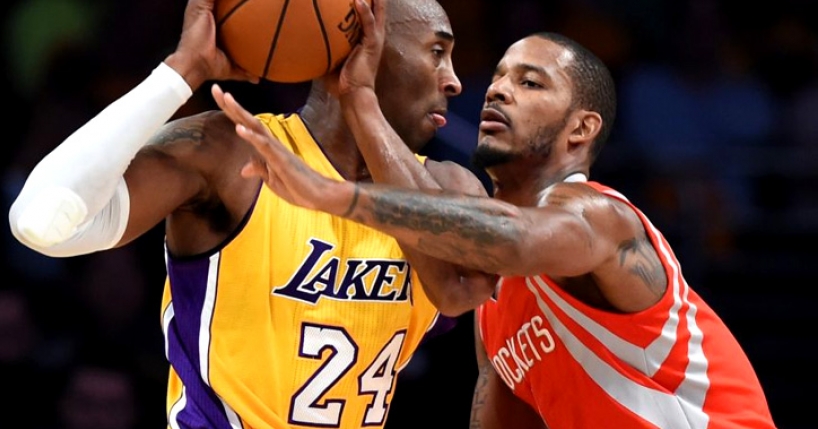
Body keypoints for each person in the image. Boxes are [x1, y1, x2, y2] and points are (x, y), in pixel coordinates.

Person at [210, 30, 778, 428]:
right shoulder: (494, 305)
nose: (498, 89)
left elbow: (516, 238)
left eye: (531, 83)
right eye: (500, 77)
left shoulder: (602, 216)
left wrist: (334, 195)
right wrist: (359, 100)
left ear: (581, 129)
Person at [8, 0, 496, 427]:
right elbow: (41, 222)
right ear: (367, 41)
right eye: (437, 52)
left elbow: (463, 286)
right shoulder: (231, 154)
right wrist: (180, 73)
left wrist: (361, 102)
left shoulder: (451, 188)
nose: (454, 81)